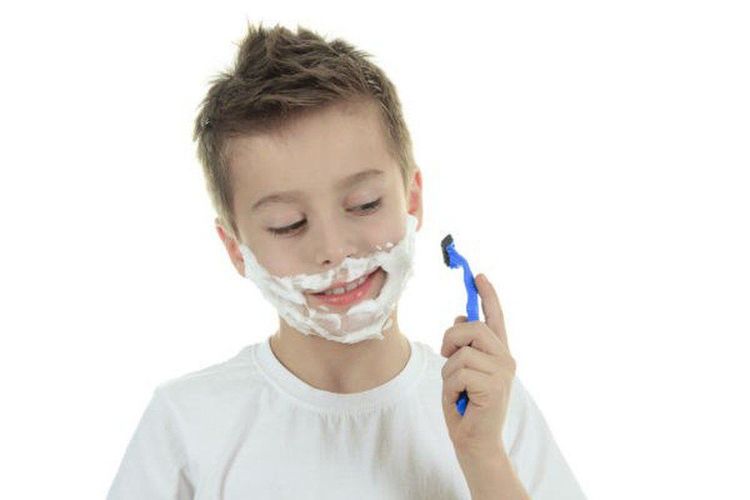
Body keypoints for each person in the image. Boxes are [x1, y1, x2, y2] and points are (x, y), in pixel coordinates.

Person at [107, 22, 587, 500]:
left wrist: (482, 456)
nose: (334, 250)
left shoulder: (492, 408)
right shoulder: (187, 427)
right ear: (236, 248)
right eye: (288, 224)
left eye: (364, 204)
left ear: (412, 199)